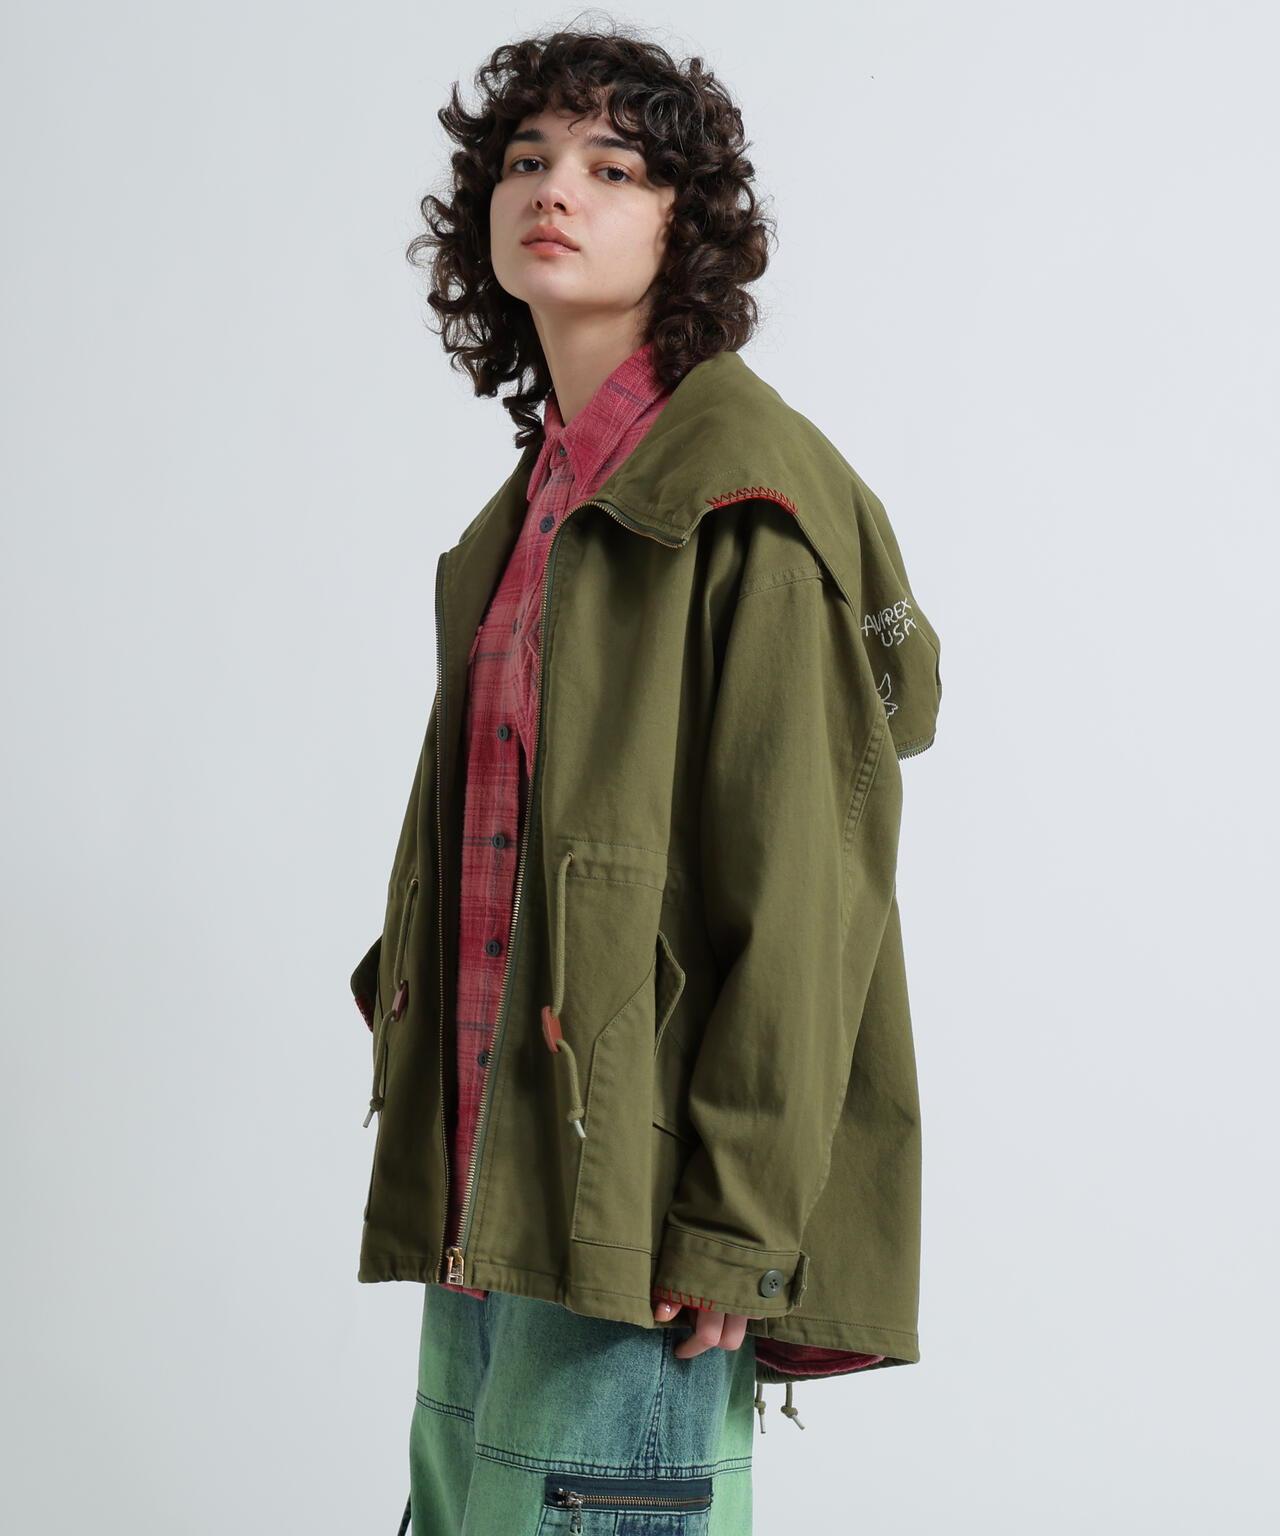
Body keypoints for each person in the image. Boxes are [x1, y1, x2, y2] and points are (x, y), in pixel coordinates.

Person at [349, 24, 943, 1534]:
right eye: (527, 159)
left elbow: (808, 894)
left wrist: (738, 1225)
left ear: (688, 228)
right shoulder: (554, 497)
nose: (556, 188)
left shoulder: (741, 497)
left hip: (643, 1224)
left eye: (614, 169)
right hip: (504, 1192)